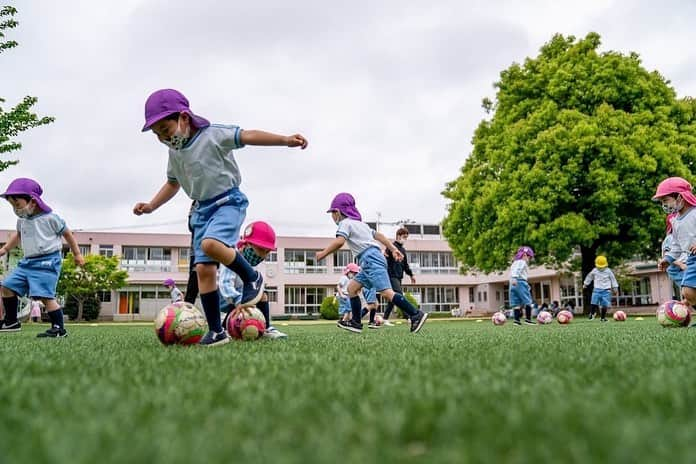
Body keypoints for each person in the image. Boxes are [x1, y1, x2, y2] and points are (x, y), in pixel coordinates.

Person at [133, 89, 307, 346]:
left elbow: (247, 136)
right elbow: (172, 184)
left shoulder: (212, 135)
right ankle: (216, 331)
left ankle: (252, 277)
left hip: (228, 202)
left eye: (165, 130)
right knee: (204, 269)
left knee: (210, 245)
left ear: (183, 117)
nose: (163, 138)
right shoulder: (175, 153)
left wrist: (284, 140)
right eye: (157, 135)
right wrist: (151, 206)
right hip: (201, 210)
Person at [316, 193, 428, 334]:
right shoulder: (361, 224)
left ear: (337, 212)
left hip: (370, 259)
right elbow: (379, 236)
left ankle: (416, 314)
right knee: (351, 289)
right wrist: (393, 249)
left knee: (387, 293)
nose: (332, 217)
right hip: (369, 260)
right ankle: (356, 322)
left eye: (332, 213)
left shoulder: (345, 224)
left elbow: (340, 241)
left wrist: (323, 253)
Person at [0, 178, 85, 337]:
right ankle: (11, 321)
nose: (15, 209)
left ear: (32, 201)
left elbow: (67, 234)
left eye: (17, 204)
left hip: (47, 261)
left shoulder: (51, 218)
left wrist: (77, 254)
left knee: (45, 296)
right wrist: (5, 248)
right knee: (7, 287)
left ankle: (59, 328)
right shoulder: (22, 220)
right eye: (12, 205)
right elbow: (17, 236)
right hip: (27, 263)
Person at [218, 221, 287, 339]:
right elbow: (225, 284)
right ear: (247, 244)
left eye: (267, 252)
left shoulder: (257, 264)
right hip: (222, 296)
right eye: (261, 249)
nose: (264, 256)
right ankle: (224, 329)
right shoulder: (231, 257)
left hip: (241, 295)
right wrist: (238, 300)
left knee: (262, 295)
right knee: (242, 301)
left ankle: (266, 328)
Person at [653, 177, 696, 309]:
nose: (664, 205)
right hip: (692, 259)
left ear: (680, 197)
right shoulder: (676, 221)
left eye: (665, 200)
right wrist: (668, 259)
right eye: (662, 202)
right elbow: (676, 245)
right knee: (688, 292)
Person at [383, 227, 416, 326]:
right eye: (404, 237)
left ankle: (385, 318)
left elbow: (405, 265)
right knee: (399, 295)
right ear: (398, 236)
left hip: (399, 276)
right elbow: (385, 261)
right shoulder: (391, 247)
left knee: (392, 299)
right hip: (391, 275)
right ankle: (410, 317)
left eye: (406, 237)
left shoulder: (403, 250)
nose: (405, 239)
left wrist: (411, 275)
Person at [336, 263, 380, 328]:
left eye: (355, 274)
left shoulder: (350, 279)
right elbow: (338, 286)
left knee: (375, 304)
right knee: (371, 305)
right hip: (346, 295)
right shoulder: (344, 278)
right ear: (348, 271)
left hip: (348, 295)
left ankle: (352, 321)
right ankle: (352, 321)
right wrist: (341, 294)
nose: (354, 275)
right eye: (354, 273)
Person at [583, 255, 619, 322]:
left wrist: (615, 287)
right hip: (596, 290)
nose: (600, 268)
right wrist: (585, 284)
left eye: (602, 267)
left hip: (606, 291)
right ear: (596, 265)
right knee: (593, 302)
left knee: (604, 305)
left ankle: (603, 318)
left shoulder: (608, 271)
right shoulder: (594, 270)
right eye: (599, 267)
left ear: (606, 265)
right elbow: (589, 277)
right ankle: (592, 313)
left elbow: (613, 279)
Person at [509, 246, 535, 325]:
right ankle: (528, 319)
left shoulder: (514, 263)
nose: (529, 259)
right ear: (524, 255)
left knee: (516, 302)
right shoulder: (522, 262)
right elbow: (518, 270)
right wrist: (515, 278)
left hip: (512, 283)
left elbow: (512, 271)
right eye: (529, 257)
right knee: (528, 301)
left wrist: (513, 279)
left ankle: (516, 321)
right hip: (520, 281)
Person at [661, 212, 685, 298]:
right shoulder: (670, 238)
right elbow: (667, 255)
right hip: (677, 266)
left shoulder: (679, 236)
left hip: (681, 265)